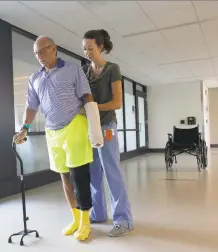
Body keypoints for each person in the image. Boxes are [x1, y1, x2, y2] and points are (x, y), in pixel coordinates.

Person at [13, 36, 103, 241]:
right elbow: (31, 106)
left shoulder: (73, 69)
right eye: (36, 53)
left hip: (74, 125)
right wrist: (25, 128)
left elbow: (87, 96)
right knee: (64, 177)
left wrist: (94, 126)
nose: (40, 56)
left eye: (43, 51)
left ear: (53, 49)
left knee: (80, 177)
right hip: (52, 131)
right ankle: (75, 218)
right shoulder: (34, 78)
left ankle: (86, 222)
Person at [82, 29, 134, 237]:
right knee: (93, 173)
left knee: (111, 170)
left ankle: (123, 219)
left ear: (101, 47)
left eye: (91, 48)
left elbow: (117, 102)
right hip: (90, 128)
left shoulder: (112, 68)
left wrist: (92, 107)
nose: (87, 52)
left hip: (107, 127)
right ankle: (98, 213)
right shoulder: (85, 71)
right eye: (84, 48)